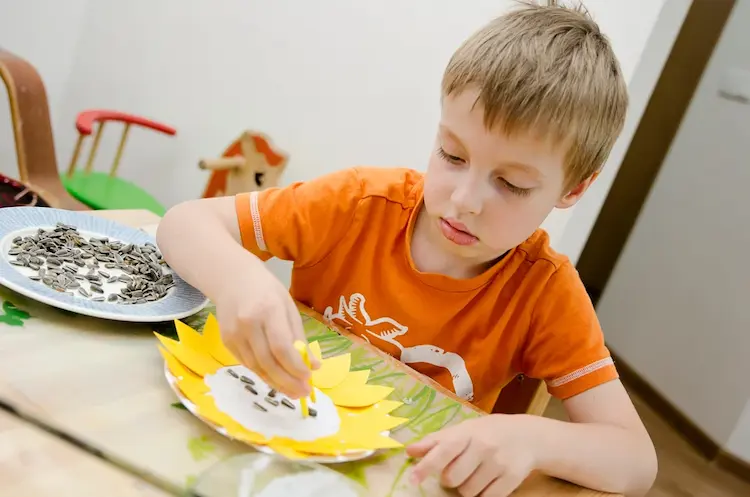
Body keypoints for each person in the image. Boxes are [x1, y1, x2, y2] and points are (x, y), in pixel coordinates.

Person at [157, 2, 657, 495]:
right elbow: (183, 223)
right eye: (452, 154)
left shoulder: (545, 294)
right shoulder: (358, 204)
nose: (464, 201)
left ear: (573, 190)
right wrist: (241, 280)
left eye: (511, 183)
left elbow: (635, 462)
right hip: (268, 443)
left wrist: (533, 437)